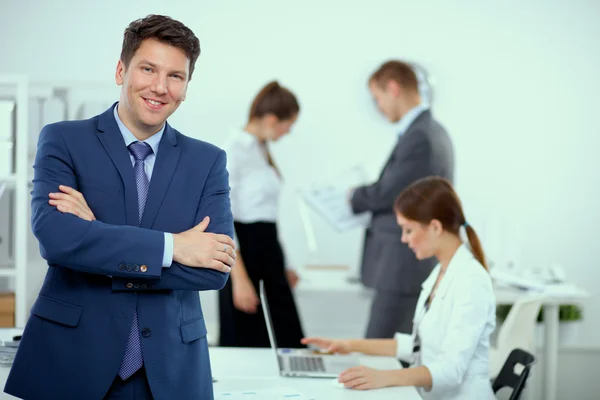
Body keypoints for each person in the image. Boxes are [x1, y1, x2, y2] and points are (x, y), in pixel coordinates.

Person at [4, 15, 236, 400]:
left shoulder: (207, 161)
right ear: (120, 70)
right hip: (72, 361)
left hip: (169, 372)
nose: (160, 87)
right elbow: (57, 240)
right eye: (148, 69)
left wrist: (96, 237)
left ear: (186, 86)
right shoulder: (64, 140)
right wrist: (174, 248)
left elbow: (214, 270)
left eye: (176, 76)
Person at [303, 176, 496, 399]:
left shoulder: (471, 280)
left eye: (408, 230)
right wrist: (347, 345)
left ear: (434, 227)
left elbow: (451, 370)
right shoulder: (440, 272)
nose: (404, 239)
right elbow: (415, 346)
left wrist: (383, 377)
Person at [350, 60, 455, 339]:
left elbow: (389, 192)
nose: (378, 107)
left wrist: (354, 196)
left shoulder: (420, 136)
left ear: (393, 89)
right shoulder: (427, 131)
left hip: (402, 268)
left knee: (378, 357)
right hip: (403, 267)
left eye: (378, 98)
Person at [218, 81, 305, 348]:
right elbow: (224, 218)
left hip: (269, 251)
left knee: (287, 336)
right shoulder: (234, 150)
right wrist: (240, 279)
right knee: (246, 340)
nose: (288, 132)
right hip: (244, 254)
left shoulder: (261, 148)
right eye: (287, 125)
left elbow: (268, 214)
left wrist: (285, 262)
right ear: (270, 119)